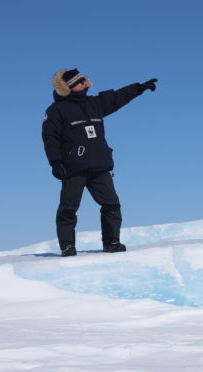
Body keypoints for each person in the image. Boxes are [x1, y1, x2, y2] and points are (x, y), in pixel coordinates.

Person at [42, 68, 157, 257]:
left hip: (99, 165)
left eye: (84, 80)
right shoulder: (56, 111)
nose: (84, 83)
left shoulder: (94, 103)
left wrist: (139, 88)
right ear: (68, 88)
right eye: (78, 82)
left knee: (112, 205)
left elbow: (117, 97)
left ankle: (111, 242)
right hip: (73, 168)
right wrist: (55, 162)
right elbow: (50, 138)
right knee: (68, 209)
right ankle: (67, 246)